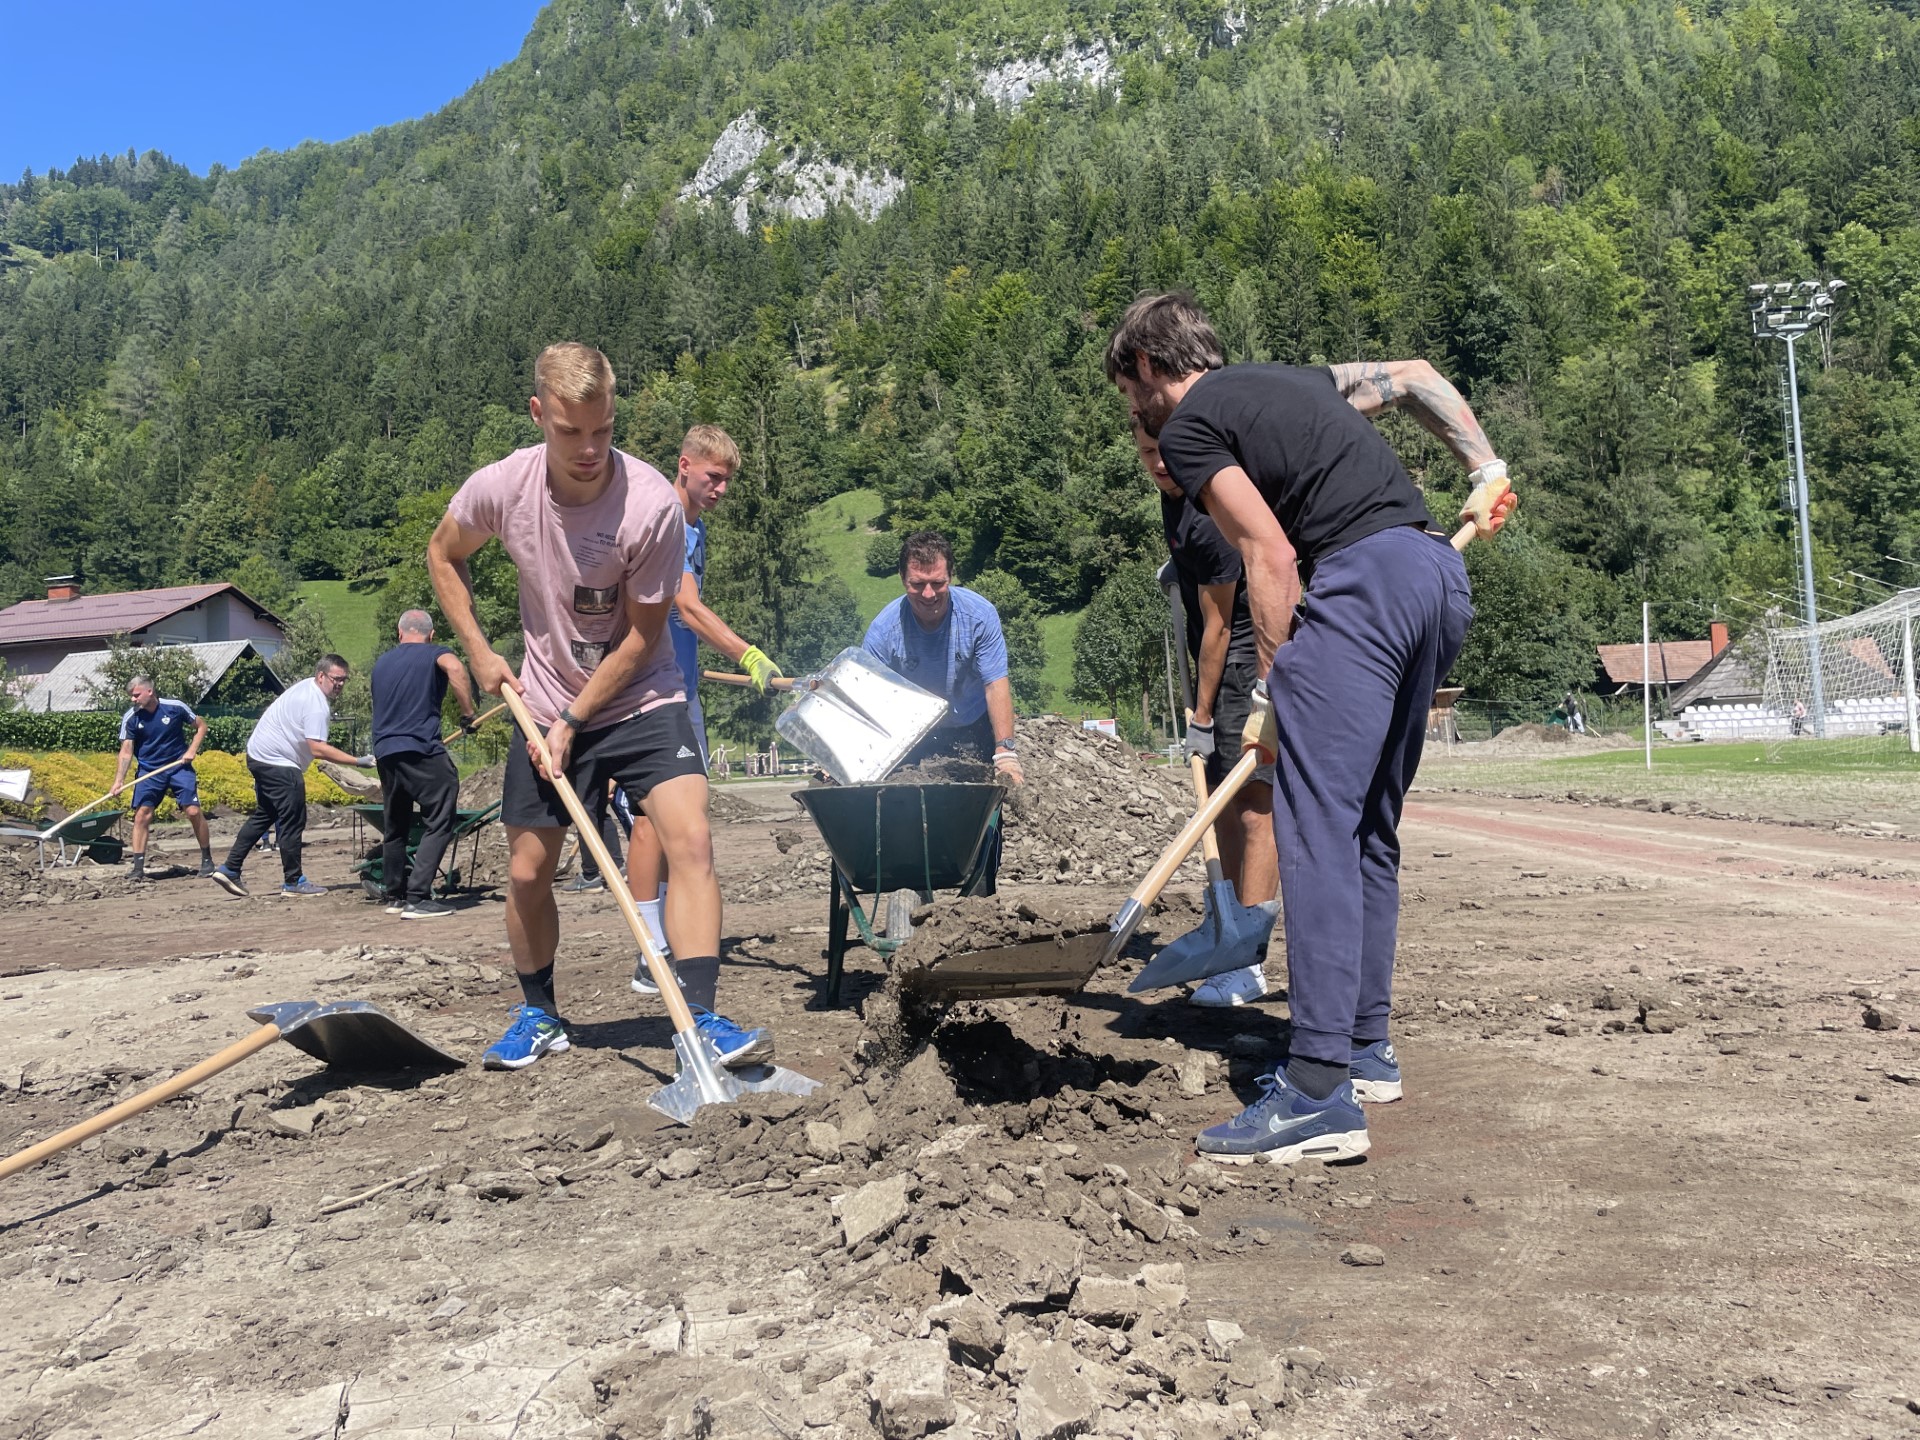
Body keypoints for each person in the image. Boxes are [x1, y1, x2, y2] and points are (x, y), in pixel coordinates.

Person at [1107, 292, 1514, 1165]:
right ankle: (1367, 1050)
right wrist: (1486, 469)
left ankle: (1320, 1090)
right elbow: (1416, 379)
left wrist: (1276, 689)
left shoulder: (1188, 429)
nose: (1131, 412)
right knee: (1367, 828)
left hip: (1361, 587)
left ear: (1147, 367)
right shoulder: (1295, 382)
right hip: (1434, 576)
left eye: (1126, 390)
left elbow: (1271, 557)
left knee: (1314, 828)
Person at [426, 340, 770, 1072]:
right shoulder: (501, 487)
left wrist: (575, 721)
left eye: (603, 431)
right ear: (539, 414)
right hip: (542, 698)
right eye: (570, 432)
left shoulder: (650, 509)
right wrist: (482, 653)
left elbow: (645, 639)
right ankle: (538, 1013)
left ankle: (700, 1018)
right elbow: (442, 554)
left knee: (691, 838)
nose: (589, 450)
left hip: (639, 696)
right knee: (526, 871)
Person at [623, 424, 782, 989]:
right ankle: (648, 949)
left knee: (682, 817)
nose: (720, 489)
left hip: (679, 684)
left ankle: (662, 934)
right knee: (652, 818)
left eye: (727, 481)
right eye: (713, 477)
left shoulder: (696, 528)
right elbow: (686, 607)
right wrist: (748, 655)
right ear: (685, 465)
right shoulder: (667, 519)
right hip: (648, 688)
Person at [1134, 418, 1280, 1007]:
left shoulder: (1208, 515)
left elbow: (1218, 626)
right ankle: (1226, 931)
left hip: (1245, 655)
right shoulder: (1174, 499)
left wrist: (1199, 715)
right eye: (1148, 453)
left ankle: (1247, 960)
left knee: (1252, 805)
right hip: (1223, 655)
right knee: (1217, 801)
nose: (1160, 464)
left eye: (1169, 453)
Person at [861, 530, 1023, 894]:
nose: (929, 594)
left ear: (951, 576)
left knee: (983, 818)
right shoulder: (885, 630)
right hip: (915, 730)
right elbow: (867, 697)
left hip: (971, 722)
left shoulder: (979, 616)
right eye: (918, 585)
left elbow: (995, 683)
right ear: (903, 579)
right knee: (911, 815)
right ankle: (917, 893)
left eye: (938, 583)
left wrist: (1006, 752)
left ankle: (981, 895)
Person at [209, 655, 369, 899]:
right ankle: (293, 881)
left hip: (259, 756)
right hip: (278, 763)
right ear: (321, 676)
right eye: (336, 679)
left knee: (266, 814)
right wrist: (358, 761)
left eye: (344, 680)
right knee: (293, 820)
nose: (340, 685)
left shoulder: (306, 688)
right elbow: (317, 749)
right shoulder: (316, 703)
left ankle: (230, 868)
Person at [369, 610, 477, 919]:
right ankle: (418, 896)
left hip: (386, 753)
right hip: (420, 748)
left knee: (396, 824)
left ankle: (395, 895)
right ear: (431, 635)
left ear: (400, 633)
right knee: (441, 815)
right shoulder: (436, 653)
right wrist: (467, 712)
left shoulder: (382, 663)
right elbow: (455, 667)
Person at [111, 674, 214, 881]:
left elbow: (201, 726)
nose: (133, 699)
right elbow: (126, 750)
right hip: (150, 771)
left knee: (193, 811)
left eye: (136, 695)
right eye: (131, 696)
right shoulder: (131, 717)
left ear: (149, 691)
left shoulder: (174, 707)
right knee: (142, 814)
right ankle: (138, 868)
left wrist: (191, 750)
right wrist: (119, 781)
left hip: (178, 766)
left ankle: (207, 860)